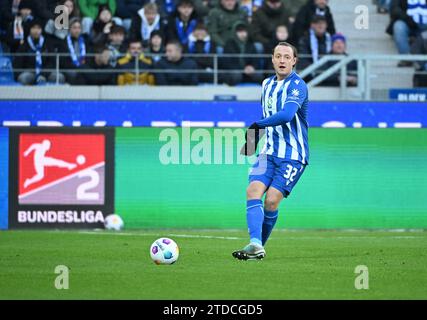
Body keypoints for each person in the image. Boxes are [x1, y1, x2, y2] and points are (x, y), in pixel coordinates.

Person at [232, 41, 309, 260]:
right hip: (268, 152)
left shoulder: (297, 86)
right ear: (273, 59)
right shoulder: (266, 84)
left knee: (272, 201)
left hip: (293, 155)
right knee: (252, 191)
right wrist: (254, 140)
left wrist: (256, 126)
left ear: (294, 61)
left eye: (287, 56)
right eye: (278, 56)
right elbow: (268, 116)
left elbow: (286, 115)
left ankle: (257, 247)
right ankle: (256, 245)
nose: (282, 60)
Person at [14, 19, 65, 85]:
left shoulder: (48, 43)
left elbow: (53, 62)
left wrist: (43, 74)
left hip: (46, 73)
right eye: (33, 28)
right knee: (24, 77)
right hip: (30, 73)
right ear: (30, 30)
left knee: (59, 77)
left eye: (38, 28)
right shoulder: (24, 45)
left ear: (41, 30)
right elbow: (17, 63)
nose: (36, 31)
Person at [386, 0, 427, 67]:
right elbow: (394, 9)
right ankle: (407, 58)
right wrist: (407, 19)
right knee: (398, 26)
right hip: (407, 22)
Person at [59, 18, 91, 84]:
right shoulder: (63, 42)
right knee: (74, 74)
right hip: (70, 69)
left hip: (83, 67)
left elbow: (89, 57)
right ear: (69, 29)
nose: (77, 30)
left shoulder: (86, 41)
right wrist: (77, 67)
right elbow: (63, 62)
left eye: (79, 28)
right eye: (74, 28)